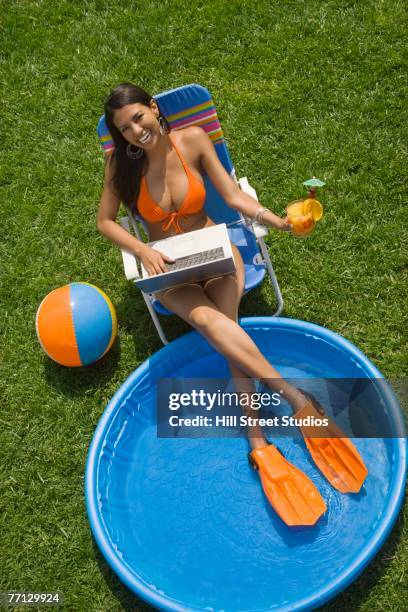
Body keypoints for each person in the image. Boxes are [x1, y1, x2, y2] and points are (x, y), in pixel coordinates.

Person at [97, 83, 366, 526]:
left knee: (225, 329)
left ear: (153, 109)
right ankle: (298, 402)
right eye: (124, 129)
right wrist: (143, 250)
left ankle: (258, 443)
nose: (135, 132)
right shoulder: (118, 166)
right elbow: (105, 222)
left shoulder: (194, 139)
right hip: (169, 268)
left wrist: (278, 222)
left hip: (219, 254)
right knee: (210, 320)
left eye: (139, 118)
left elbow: (235, 197)